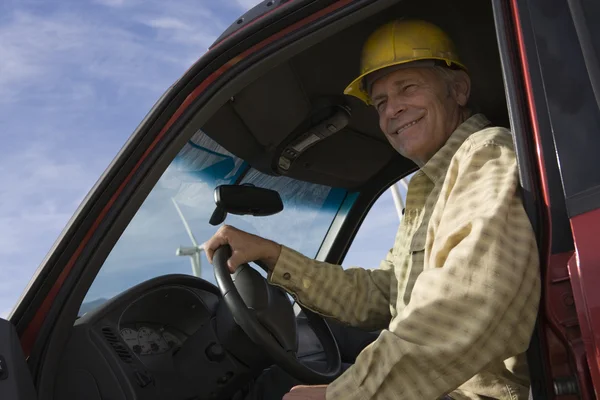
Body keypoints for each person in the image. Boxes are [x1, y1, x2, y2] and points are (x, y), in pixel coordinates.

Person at [204, 19, 541, 400]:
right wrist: (273, 254)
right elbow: (380, 294)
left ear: (458, 89)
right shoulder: (429, 187)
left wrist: (342, 396)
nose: (392, 110)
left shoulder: (484, 154)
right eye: (380, 102)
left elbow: (467, 305)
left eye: (407, 88)